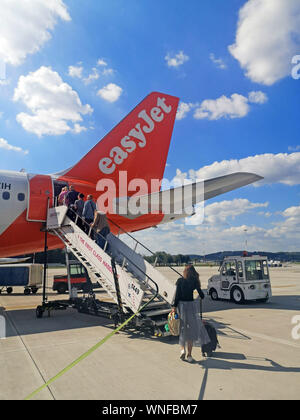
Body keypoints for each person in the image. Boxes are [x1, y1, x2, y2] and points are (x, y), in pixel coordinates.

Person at [172, 264, 210, 363]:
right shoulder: (194, 281)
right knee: (192, 331)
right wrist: (200, 292)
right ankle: (189, 355)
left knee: (182, 329)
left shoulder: (180, 281)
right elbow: (201, 295)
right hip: (191, 307)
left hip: (182, 307)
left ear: (185, 271)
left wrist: (174, 307)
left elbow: (177, 296)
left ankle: (182, 350)